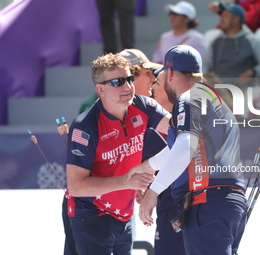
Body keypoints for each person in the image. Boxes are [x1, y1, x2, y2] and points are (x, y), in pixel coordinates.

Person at [129, 45, 247, 255]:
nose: (160, 82)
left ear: (171, 73)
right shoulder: (208, 97)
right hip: (225, 203)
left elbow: (185, 146)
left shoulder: (189, 97)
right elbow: (180, 148)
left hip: (208, 203)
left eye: (162, 75)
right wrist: (147, 166)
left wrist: (153, 192)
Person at [66, 53, 171, 255]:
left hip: (124, 211)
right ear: (100, 89)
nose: (127, 86)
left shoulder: (142, 105)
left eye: (130, 79)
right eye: (117, 82)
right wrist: (127, 183)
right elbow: (76, 186)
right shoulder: (85, 126)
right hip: (90, 214)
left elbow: (180, 131)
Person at [151, 70, 186, 255]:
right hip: (166, 207)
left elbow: (182, 149)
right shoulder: (150, 126)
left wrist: (151, 191)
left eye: (157, 82)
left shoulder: (188, 118)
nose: (152, 87)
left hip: (188, 208)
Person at [203, 3, 260, 87]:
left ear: (236, 20)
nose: (221, 19)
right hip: (218, 92)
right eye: (222, 16)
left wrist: (253, 72)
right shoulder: (215, 42)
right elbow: (205, 65)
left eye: (226, 16)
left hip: (242, 92)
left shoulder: (252, 41)